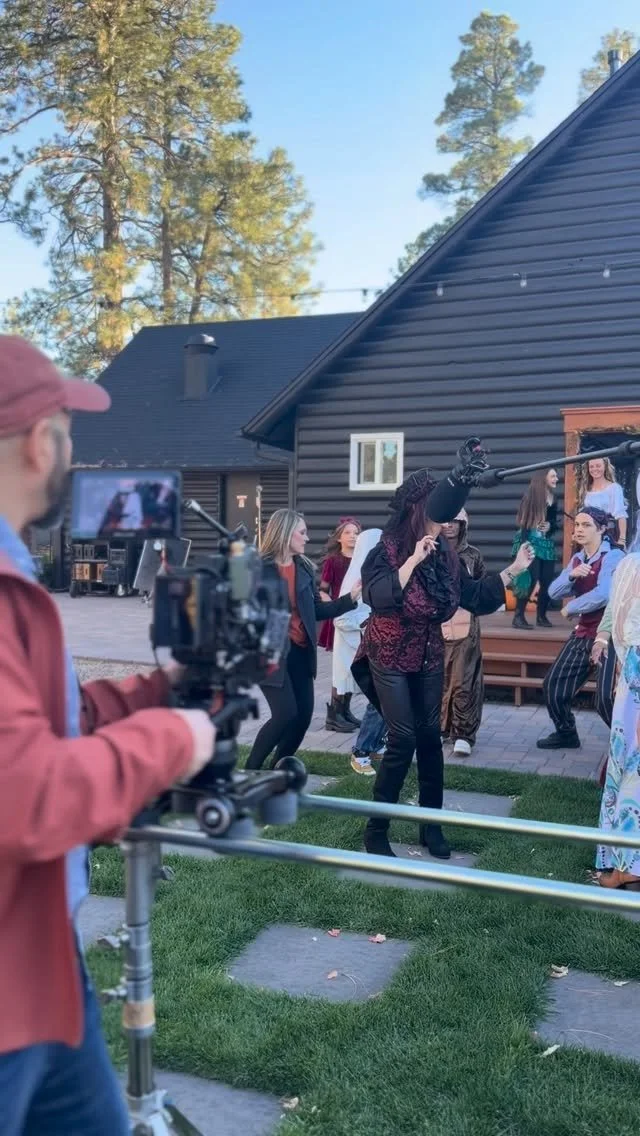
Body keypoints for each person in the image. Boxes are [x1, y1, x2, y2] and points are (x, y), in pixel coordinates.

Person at [0, 336, 216, 1136]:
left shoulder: (14, 568)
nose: (72, 451)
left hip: (38, 958)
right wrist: (173, 739)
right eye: (68, 431)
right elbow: (27, 794)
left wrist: (155, 694)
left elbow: (39, 725)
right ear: (39, 442)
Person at [353, 468, 534, 859]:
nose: (447, 520)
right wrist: (412, 561)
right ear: (419, 510)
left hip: (428, 653)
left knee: (430, 740)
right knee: (402, 738)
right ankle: (376, 829)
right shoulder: (387, 548)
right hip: (389, 652)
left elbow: (473, 595)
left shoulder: (447, 556)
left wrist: (514, 569)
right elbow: (377, 595)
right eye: (439, 511)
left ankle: (430, 826)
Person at [245, 509, 359, 770]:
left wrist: (350, 598)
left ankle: (278, 768)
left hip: (299, 651)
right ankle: (250, 770)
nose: (307, 538)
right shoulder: (258, 570)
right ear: (286, 534)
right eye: (303, 532)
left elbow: (315, 609)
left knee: (303, 717)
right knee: (285, 714)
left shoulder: (304, 568)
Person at [536, 506, 624, 751]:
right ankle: (566, 733)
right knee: (553, 685)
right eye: (577, 525)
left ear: (602, 529)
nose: (579, 530)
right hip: (584, 631)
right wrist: (571, 576)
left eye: (586, 525)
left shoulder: (613, 556)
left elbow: (605, 594)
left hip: (609, 634)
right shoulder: (578, 558)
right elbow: (553, 592)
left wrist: (570, 608)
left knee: (606, 699)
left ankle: (629, 745)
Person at [596, 542, 640, 889]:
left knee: (631, 764)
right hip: (633, 667)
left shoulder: (630, 564)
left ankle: (629, 864)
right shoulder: (630, 564)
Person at [332, 528, 386, 775]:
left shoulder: (379, 573)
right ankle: (361, 751)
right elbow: (341, 619)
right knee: (379, 700)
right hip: (366, 648)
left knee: (387, 700)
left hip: (383, 645)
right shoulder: (356, 577)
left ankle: (375, 743)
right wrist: (366, 624)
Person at [440, 509, 486, 757]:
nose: (448, 525)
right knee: (437, 680)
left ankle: (463, 733)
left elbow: (480, 588)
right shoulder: (429, 550)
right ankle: (439, 728)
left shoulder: (473, 555)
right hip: (436, 624)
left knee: (463, 680)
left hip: (465, 625)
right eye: (444, 521)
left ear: (462, 525)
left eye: (454, 521)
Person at [318, 516, 362, 731]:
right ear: (339, 538)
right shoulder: (333, 562)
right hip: (340, 618)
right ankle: (334, 714)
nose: (352, 536)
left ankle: (345, 710)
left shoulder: (361, 560)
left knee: (351, 665)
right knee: (340, 665)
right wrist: (334, 608)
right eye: (348, 532)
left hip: (357, 618)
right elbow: (323, 591)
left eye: (356, 532)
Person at [511, 468, 559, 629]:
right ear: (543, 477)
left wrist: (550, 526)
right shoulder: (530, 496)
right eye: (553, 476)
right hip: (530, 541)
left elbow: (553, 522)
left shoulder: (553, 497)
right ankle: (518, 616)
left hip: (545, 544)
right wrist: (524, 546)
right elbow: (524, 523)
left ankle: (541, 616)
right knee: (530, 578)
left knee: (547, 580)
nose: (556, 479)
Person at [581, 456, 627, 548]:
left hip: (608, 533)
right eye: (591, 466)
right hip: (589, 534)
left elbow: (620, 515)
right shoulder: (586, 489)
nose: (595, 469)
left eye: (598, 466)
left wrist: (622, 539)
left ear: (605, 466)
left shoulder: (614, 488)